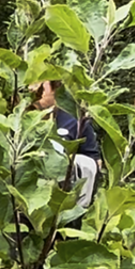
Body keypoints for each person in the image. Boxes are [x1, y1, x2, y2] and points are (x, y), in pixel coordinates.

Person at [32, 80, 102, 208]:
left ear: (55, 89)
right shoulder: (18, 118)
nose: (31, 89)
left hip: (65, 199)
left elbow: (94, 161)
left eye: (38, 85)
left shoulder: (75, 120)